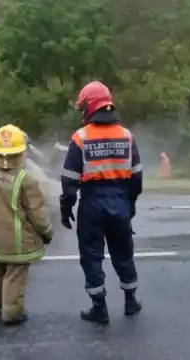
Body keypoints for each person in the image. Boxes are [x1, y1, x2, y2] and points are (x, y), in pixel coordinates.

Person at [59, 81, 143, 324]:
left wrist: (66, 208)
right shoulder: (127, 136)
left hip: (92, 202)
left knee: (92, 254)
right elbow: (136, 176)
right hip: (120, 201)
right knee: (124, 252)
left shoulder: (80, 137)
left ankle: (99, 306)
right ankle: (130, 301)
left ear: (90, 106)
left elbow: (70, 179)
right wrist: (131, 203)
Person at [0, 125, 54, 325]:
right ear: (21, 152)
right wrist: (47, 233)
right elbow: (37, 214)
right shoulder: (25, 179)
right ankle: (11, 313)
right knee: (14, 276)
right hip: (18, 242)